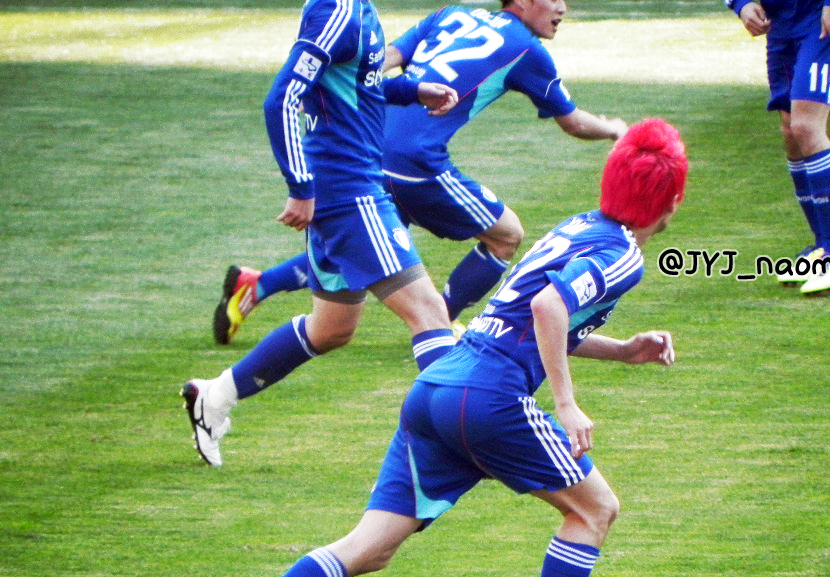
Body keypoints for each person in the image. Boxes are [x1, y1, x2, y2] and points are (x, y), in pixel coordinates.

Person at [191, 118, 689, 577]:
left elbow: (528, 319)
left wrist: (624, 350)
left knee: (368, 548)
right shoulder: (622, 256)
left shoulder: (578, 226)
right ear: (672, 199)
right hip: (490, 398)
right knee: (594, 510)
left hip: (438, 387)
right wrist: (565, 402)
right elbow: (548, 307)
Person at [211, 0, 629, 346]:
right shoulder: (525, 49)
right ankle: (440, 325)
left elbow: (381, 60)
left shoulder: (450, 13)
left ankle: (257, 285)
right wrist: (614, 129)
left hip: (367, 149)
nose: (562, 8)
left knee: (362, 247)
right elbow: (573, 122)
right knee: (507, 235)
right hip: (415, 164)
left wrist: (344, 91)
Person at [182, 0, 460, 467]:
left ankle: (214, 396)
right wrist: (301, 187)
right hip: (349, 192)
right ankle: (454, 443)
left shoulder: (357, 10)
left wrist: (412, 91)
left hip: (347, 187)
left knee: (331, 329)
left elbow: (354, 85)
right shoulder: (338, 12)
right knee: (430, 313)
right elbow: (283, 98)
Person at [726, 0, 830, 294]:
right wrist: (741, 4)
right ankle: (822, 247)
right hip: (781, 21)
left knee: (806, 126)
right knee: (790, 131)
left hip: (821, 16)